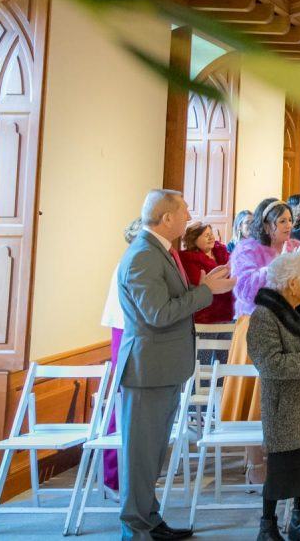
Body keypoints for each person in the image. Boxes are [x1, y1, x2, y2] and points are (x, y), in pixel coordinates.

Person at [116, 189, 235, 541]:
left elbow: (172, 301)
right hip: (147, 369)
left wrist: (204, 286)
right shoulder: (143, 255)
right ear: (166, 218)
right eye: (184, 211)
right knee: (140, 456)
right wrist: (206, 292)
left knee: (153, 454)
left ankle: (150, 520)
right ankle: (135, 529)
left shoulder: (161, 251)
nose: (189, 217)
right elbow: (158, 313)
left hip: (163, 367)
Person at [222, 199, 300, 481]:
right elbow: (244, 289)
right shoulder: (248, 249)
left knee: (285, 396)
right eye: (282, 221)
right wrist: (277, 266)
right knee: (255, 396)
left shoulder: (298, 247)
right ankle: (254, 462)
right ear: (266, 226)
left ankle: (283, 460)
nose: (289, 226)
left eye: (290, 220)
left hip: (290, 324)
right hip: (257, 323)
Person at [247, 251, 300, 541]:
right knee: (281, 471)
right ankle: (267, 527)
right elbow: (269, 364)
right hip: (284, 407)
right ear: (292, 282)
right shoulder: (264, 316)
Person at [99, 219, 143, 494]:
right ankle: (114, 477)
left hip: (134, 333)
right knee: (122, 401)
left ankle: (131, 477)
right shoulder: (132, 263)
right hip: (127, 333)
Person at [176, 222, 234, 325]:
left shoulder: (222, 252)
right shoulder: (188, 260)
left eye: (211, 234)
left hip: (230, 312)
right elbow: (201, 287)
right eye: (206, 235)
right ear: (194, 239)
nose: (211, 238)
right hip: (207, 316)